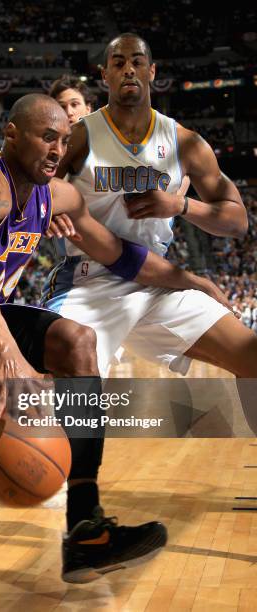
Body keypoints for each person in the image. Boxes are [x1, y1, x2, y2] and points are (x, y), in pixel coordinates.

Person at [0, 94, 231, 583]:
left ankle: (86, 530)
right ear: (12, 134)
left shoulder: (56, 196)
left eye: (64, 140)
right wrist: (7, 354)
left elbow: (118, 253)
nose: (57, 149)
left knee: (75, 341)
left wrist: (190, 279)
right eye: (46, 136)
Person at [41, 33, 257, 383]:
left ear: (152, 71)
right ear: (104, 75)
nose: (129, 70)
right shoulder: (81, 136)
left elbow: (237, 220)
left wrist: (180, 204)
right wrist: (47, 207)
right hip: (88, 280)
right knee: (50, 402)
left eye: (137, 62)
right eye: (119, 63)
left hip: (155, 283)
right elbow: (36, 187)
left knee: (251, 357)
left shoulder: (184, 141)